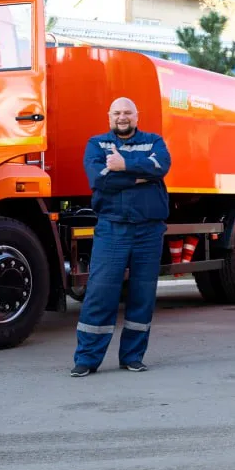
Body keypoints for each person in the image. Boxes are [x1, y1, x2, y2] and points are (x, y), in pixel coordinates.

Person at [71, 97, 171, 377]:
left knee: (143, 294)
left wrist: (123, 165)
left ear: (137, 116)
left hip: (149, 229)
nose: (122, 117)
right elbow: (99, 179)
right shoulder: (97, 144)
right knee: (100, 293)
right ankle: (87, 359)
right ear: (109, 116)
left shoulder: (154, 141)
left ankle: (132, 357)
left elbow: (161, 166)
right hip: (112, 228)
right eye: (117, 113)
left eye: (127, 112)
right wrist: (141, 174)